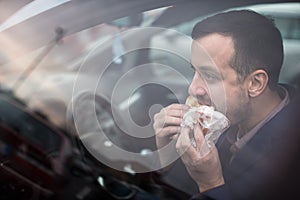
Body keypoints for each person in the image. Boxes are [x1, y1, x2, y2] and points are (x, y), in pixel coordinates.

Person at [153, 10, 300, 199]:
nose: (193, 89)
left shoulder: (290, 155)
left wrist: (211, 184)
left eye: (210, 76)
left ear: (255, 84)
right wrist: (167, 155)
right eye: (195, 71)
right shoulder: (225, 120)